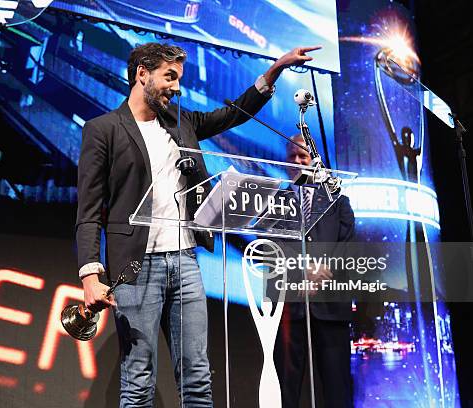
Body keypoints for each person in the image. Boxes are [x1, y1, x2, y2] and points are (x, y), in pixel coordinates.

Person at [75, 42, 322, 407]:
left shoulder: (182, 121)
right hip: (135, 267)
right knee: (139, 379)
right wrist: (90, 275)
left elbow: (233, 114)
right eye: (169, 77)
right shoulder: (103, 130)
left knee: (197, 378)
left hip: (186, 261)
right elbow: (89, 209)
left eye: (179, 79)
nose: (176, 87)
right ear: (142, 73)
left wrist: (276, 69)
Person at [274, 134, 355, 408]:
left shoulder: (338, 201)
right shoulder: (277, 202)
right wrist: (300, 272)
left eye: (303, 157)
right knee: (285, 390)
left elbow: (347, 244)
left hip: (331, 305)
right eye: (292, 157)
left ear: (315, 161)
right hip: (289, 309)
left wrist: (324, 269)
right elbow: (272, 249)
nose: (297, 162)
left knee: (337, 388)